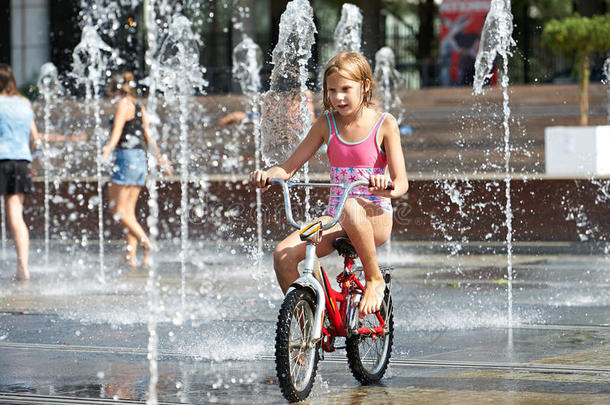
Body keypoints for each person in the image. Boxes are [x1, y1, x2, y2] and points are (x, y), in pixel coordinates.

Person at [249, 52, 408, 315]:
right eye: (332, 90)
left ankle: (373, 278)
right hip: (335, 218)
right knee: (283, 255)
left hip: (374, 216)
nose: (338, 97)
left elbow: (401, 183)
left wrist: (385, 185)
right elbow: (288, 168)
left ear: (365, 86)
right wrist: (267, 174)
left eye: (346, 89)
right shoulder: (326, 124)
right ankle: (308, 327)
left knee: (351, 207)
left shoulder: (384, 123)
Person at [101, 72, 171, 268]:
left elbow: (117, 130)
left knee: (118, 210)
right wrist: (159, 159)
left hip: (125, 157)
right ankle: (130, 256)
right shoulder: (140, 107)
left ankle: (146, 243)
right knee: (129, 212)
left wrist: (108, 147)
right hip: (140, 159)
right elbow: (148, 137)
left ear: (115, 90)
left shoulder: (123, 104)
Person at [0, 64, 41, 281]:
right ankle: (23, 267)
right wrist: (30, 156)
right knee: (17, 215)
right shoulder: (24, 103)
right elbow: (35, 138)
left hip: (1, 159)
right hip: (21, 161)